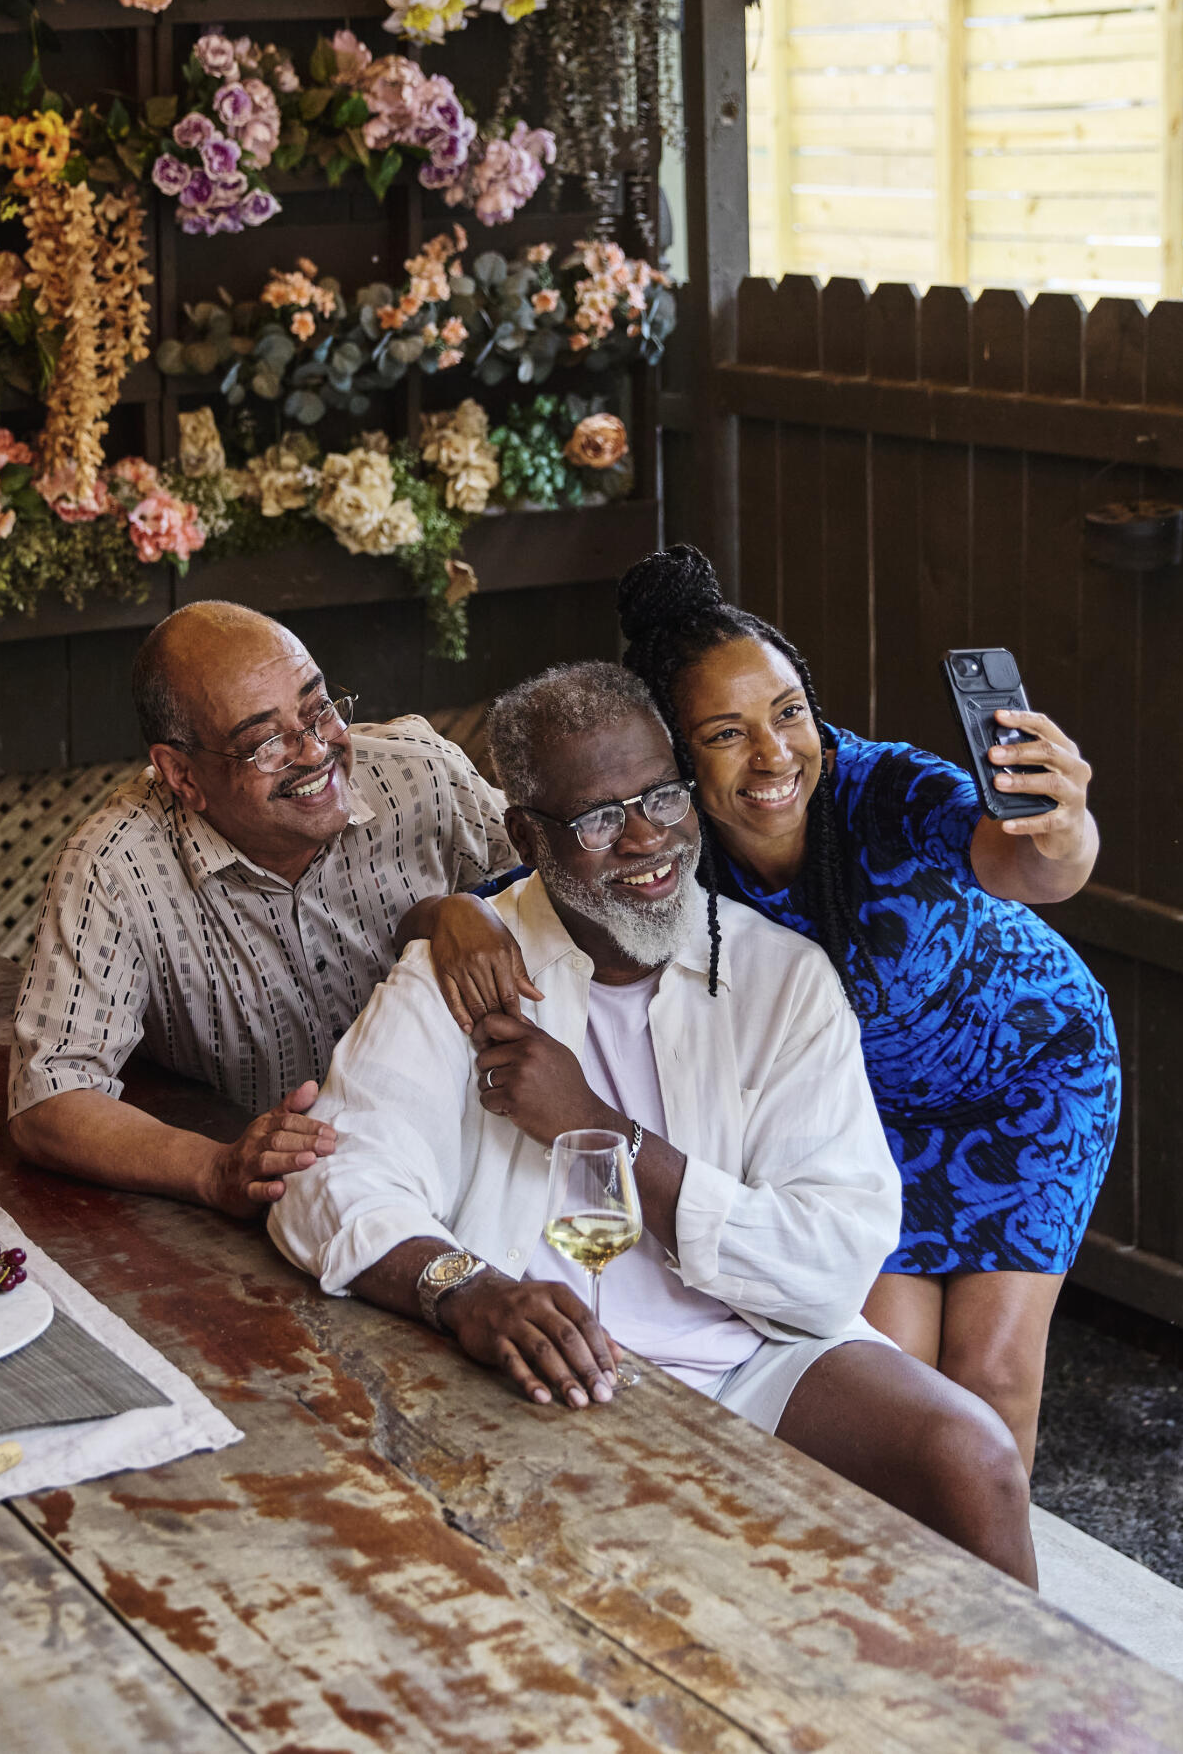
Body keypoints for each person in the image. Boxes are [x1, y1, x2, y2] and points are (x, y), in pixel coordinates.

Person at [271, 663, 1037, 1584]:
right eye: (600, 819)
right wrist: (470, 1290)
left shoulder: (782, 979)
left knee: (974, 1456)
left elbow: (832, 1265)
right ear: (528, 834)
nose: (646, 840)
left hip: (752, 1352)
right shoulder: (469, 971)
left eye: (663, 798)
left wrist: (597, 1126)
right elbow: (330, 1178)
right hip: (540, 1365)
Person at [435, 546, 1114, 1474]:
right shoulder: (668, 843)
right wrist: (452, 913)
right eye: (727, 732)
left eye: (789, 712)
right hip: (860, 1111)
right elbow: (514, 897)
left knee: (991, 1375)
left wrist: (1066, 828)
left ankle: (987, 1565)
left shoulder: (882, 788)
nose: (774, 753)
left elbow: (1026, 866)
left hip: (1027, 1075)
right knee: (890, 1366)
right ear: (675, 754)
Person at [9, 601, 518, 1216]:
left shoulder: (425, 778)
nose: (315, 751)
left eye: (318, 708)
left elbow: (571, 907)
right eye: (266, 743)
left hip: (477, 1169)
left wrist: (465, 908)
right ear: (182, 774)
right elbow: (49, 1099)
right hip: (274, 1212)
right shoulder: (116, 867)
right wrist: (215, 1168)